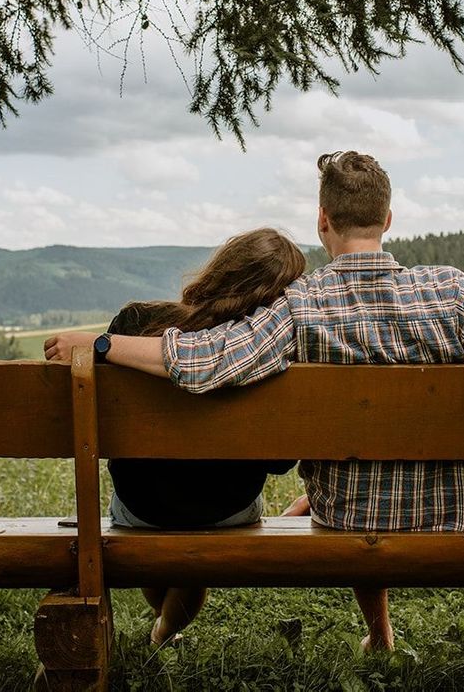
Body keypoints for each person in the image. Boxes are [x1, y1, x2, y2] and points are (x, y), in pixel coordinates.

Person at [45, 150, 464, 652]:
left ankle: (366, 629)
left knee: (351, 486)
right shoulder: (451, 291)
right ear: (388, 221)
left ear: (323, 222)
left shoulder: (300, 307)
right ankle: (384, 636)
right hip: (457, 524)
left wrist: (102, 346)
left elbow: (207, 361)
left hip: (348, 519)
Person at [103, 227, 302, 645]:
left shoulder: (134, 323)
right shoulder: (269, 353)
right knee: (193, 557)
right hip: (226, 514)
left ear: (221, 268)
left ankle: (161, 628)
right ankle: (162, 633)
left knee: (164, 546)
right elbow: (281, 462)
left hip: (140, 508)